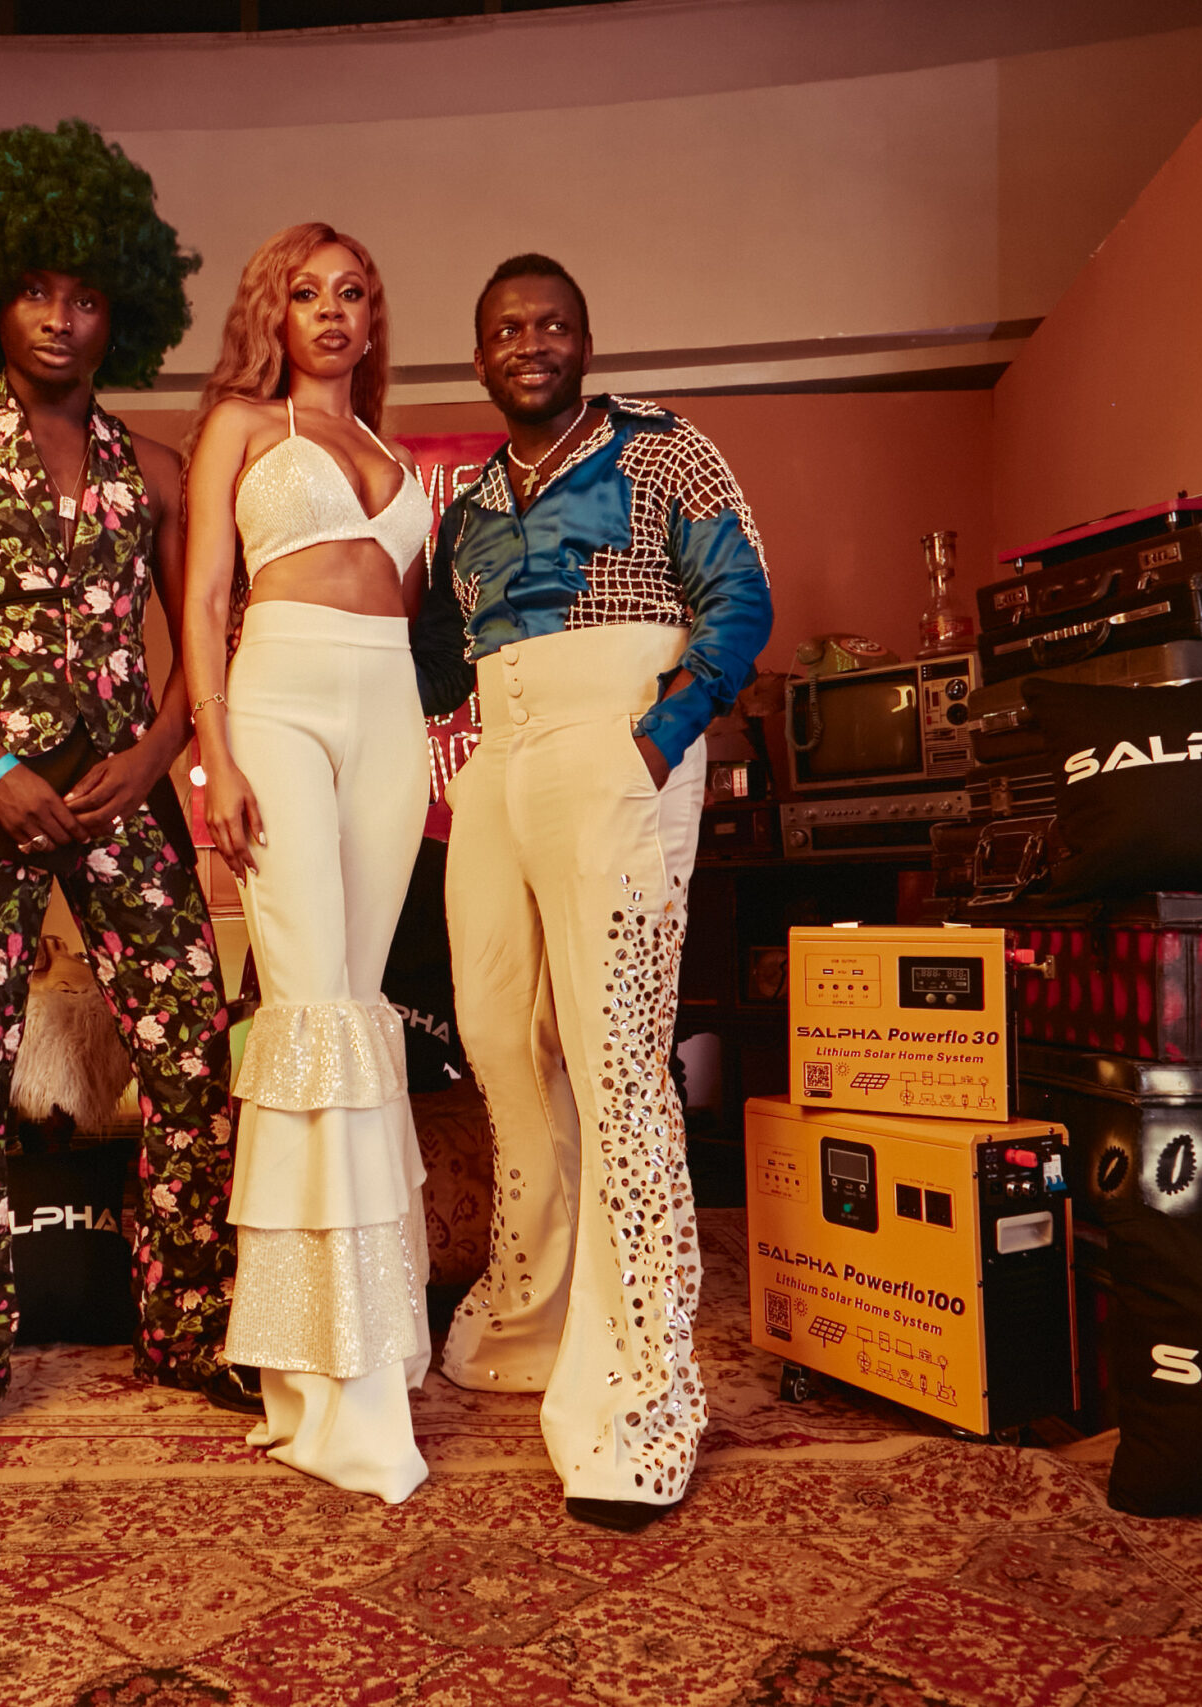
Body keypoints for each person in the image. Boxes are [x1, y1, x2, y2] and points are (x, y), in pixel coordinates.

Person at [0, 120, 256, 1480]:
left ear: (120, 310)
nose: (60, 317)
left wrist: (156, 755)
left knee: (194, 1058)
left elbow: (203, 641)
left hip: (122, 798)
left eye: (85, 295)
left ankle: (188, 1329)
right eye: (35, 289)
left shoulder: (162, 474)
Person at [432, 253, 774, 1529]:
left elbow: (742, 597)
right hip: (497, 760)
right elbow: (429, 662)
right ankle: (530, 1321)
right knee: (501, 1043)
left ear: (585, 340)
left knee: (619, 1059)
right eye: (507, 328)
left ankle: (644, 1397)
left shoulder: (664, 448)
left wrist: (661, 736)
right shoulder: (467, 506)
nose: (531, 343)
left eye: (553, 324)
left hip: (615, 742)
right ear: (480, 356)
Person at [179, 223, 458, 1503]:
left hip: (389, 715)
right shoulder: (242, 428)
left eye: (353, 293)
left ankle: (369, 1348)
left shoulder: (397, 460)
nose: (332, 312)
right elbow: (203, 601)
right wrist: (214, 752)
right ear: (273, 315)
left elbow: (423, 620)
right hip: (276, 697)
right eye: (306, 294)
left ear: (372, 316)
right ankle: (320, 1386)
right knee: (308, 1015)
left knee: (359, 1006)